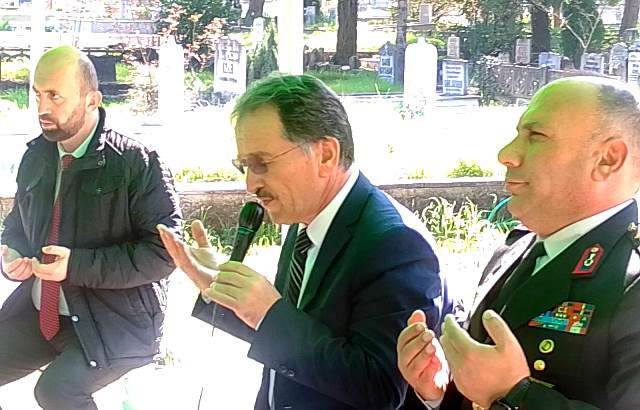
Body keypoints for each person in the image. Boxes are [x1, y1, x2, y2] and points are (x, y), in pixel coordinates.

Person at [157, 74, 453, 410]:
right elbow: (300, 338)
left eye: (262, 163)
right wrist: (230, 294)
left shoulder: (396, 245)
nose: (250, 184)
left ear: (325, 155)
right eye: (244, 166)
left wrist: (269, 313)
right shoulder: (305, 219)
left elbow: (381, 388)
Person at [397, 76, 640, 409]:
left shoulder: (632, 282)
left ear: (607, 159)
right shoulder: (516, 248)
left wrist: (515, 394)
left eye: (536, 136)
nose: (506, 154)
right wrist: (442, 390)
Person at [0, 45, 182, 409]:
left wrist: (76, 265)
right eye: (37, 94)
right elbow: (16, 225)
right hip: (41, 312)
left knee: (56, 391)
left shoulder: (136, 162)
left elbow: (164, 254)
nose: (42, 108)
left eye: (55, 96)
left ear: (92, 100)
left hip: (117, 322)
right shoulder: (36, 156)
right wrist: (12, 254)